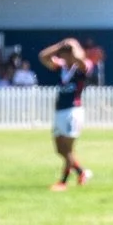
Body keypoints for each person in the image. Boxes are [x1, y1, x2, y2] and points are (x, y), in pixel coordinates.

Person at [37, 37, 96, 190]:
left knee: (68, 149)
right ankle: (82, 172)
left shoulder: (82, 67)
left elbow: (82, 62)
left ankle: (63, 182)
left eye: (66, 54)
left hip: (72, 111)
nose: (63, 56)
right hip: (59, 111)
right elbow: (43, 56)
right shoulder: (61, 67)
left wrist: (74, 46)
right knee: (60, 149)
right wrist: (59, 46)